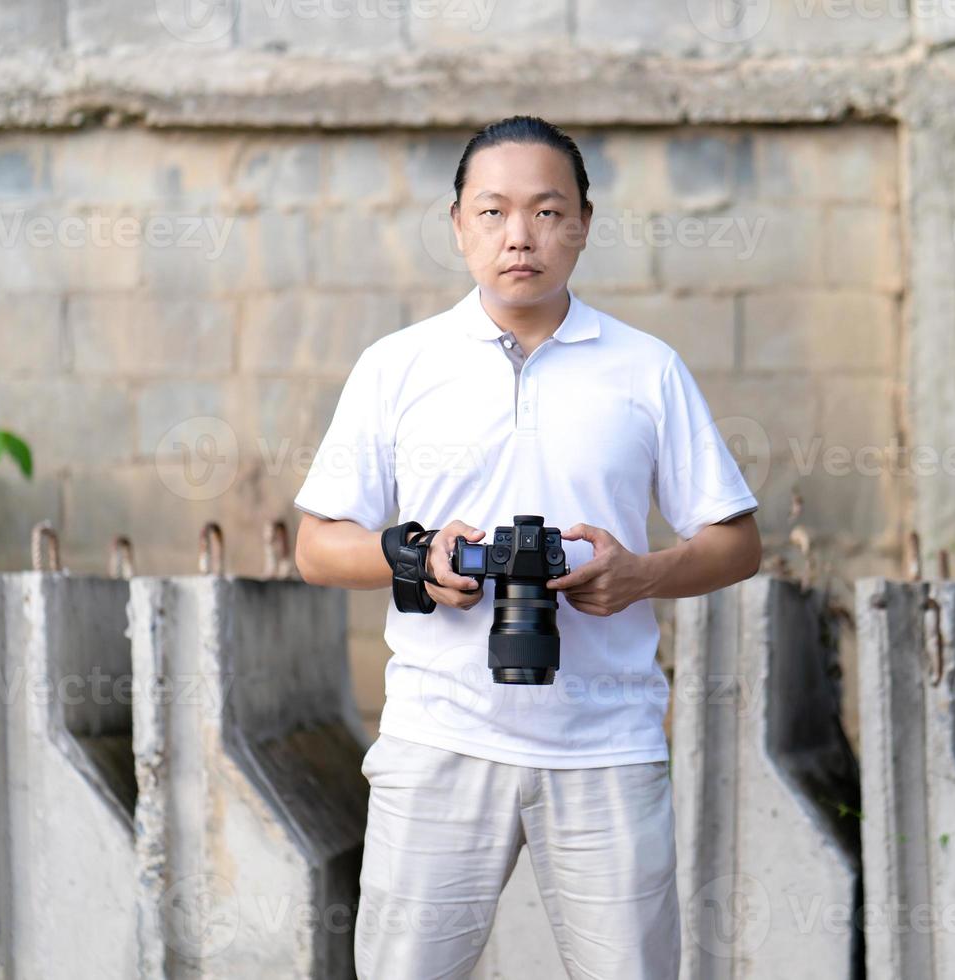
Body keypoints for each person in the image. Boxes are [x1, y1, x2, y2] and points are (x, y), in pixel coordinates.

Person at [294, 114, 763, 980]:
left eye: (547, 213)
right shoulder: (397, 366)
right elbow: (317, 547)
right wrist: (420, 559)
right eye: (493, 212)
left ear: (584, 223)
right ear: (457, 224)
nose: (520, 237)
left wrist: (640, 574)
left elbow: (736, 543)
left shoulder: (646, 368)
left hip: (607, 743)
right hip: (436, 738)